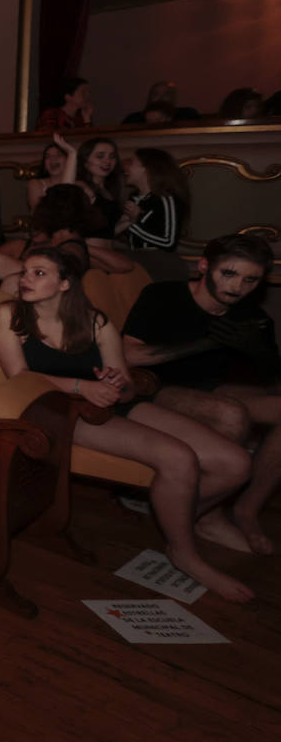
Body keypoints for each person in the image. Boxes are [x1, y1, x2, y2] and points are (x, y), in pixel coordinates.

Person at [0, 247, 253, 602]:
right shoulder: (9, 314)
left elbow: (128, 386)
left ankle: (177, 513)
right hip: (61, 411)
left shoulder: (94, 321)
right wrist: (84, 387)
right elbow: (19, 376)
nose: (25, 279)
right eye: (25, 272)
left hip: (109, 403)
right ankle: (184, 552)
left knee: (236, 463)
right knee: (179, 458)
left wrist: (116, 384)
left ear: (65, 283)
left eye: (39, 273)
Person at [123, 234, 281, 557]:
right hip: (157, 388)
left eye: (250, 280)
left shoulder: (251, 316)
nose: (237, 287)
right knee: (230, 414)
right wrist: (206, 343)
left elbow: (272, 381)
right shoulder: (163, 295)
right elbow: (130, 356)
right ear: (204, 266)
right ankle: (208, 514)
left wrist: (261, 353)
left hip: (210, 387)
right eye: (229, 273)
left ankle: (247, 509)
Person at [54, 133, 123, 241]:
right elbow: (64, 194)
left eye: (112, 156)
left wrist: (129, 221)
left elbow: (106, 233)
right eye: (100, 156)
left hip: (104, 248)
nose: (107, 161)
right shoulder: (81, 186)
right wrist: (72, 154)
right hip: (84, 248)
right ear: (85, 162)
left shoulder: (110, 190)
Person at [119, 147, 189, 253]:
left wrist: (132, 223)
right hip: (136, 258)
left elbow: (168, 243)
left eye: (131, 163)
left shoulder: (166, 199)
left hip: (157, 260)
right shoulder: (133, 197)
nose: (125, 167)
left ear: (147, 168)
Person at [26, 142, 68, 211]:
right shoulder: (35, 184)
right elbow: (39, 212)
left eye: (58, 155)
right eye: (48, 156)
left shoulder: (79, 185)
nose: (53, 159)